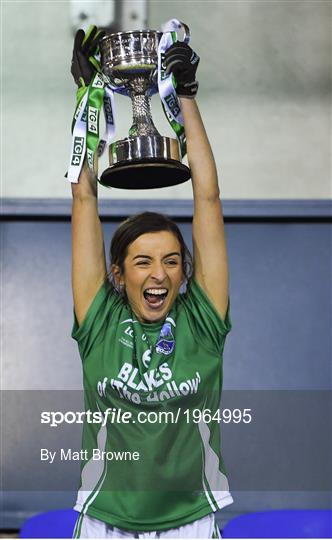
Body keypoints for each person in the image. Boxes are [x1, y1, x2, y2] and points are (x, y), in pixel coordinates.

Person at [70, 26, 233, 539]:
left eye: (170, 261)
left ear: (185, 271)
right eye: (141, 262)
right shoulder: (98, 322)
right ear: (117, 274)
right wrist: (86, 103)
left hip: (190, 519)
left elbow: (207, 199)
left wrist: (184, 97)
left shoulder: (203, 323)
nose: (158, 273)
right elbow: (83, 202)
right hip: (105, 520)